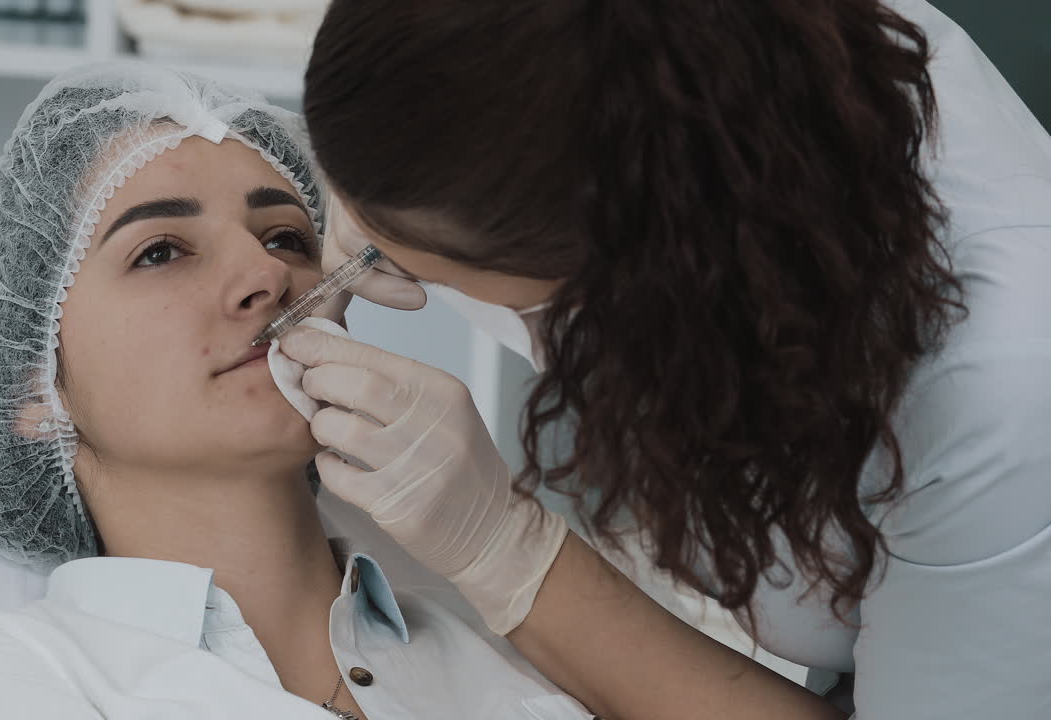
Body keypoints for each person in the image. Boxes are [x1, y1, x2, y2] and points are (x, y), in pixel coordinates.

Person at [277, 0, 1051, 717]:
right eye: (160, 253)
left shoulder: (999, 394)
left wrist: (508, 554)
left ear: (641, 266)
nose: (265, 282)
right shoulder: (696, 59)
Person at [0, 63, 592, 720]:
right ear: (35, 391)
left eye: (287, 238)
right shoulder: (4, 675)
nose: (266, 275)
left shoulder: (512, 647)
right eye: (161, 251)